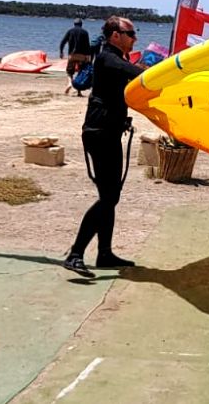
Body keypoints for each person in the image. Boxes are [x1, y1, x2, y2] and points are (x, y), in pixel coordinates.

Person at [64, 16, 145, 277]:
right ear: (115, 36)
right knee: (109, 197)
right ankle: (76, 254)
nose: (134, 38)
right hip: (99, 134)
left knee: (110, 197)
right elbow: (141, 76)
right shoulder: (108, 58)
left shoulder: (117, 59)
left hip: (108, 133)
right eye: (130, 33)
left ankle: (104, 253)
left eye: (134, 33)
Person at [59, 19, 92, 96]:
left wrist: (61, 52)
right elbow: (87, 45)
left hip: (72, 55)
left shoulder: (70, 31)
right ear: (81, 24)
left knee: (69, 72)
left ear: (74, 24)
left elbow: (62, 42)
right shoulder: (85, 32)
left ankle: (70, 83)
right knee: (80, 74)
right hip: (82, 56)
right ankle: (79, 92)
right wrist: (88, 56)